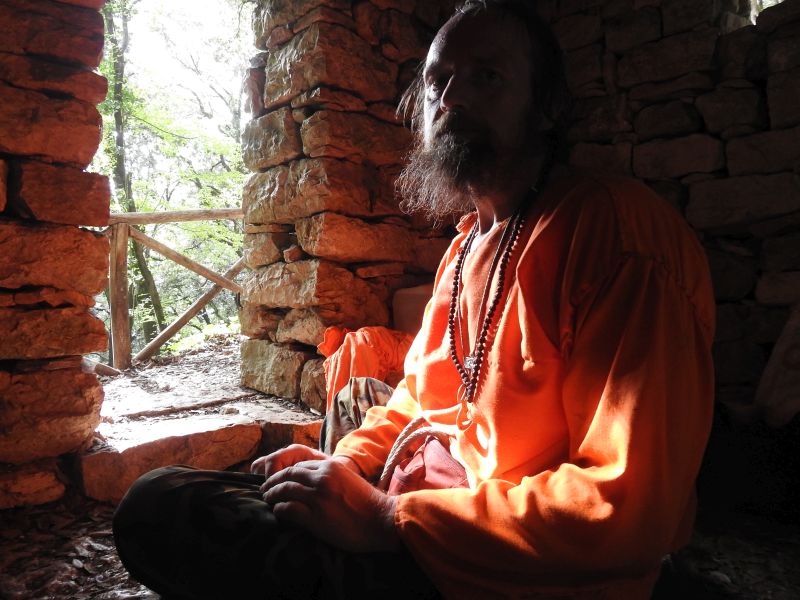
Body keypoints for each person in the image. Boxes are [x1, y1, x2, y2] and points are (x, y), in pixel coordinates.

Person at [112, 1, 716, 598]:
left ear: (548, 107)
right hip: (421, 502)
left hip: (502, 569)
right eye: (436, 82)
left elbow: (627, 507)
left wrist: (383, 520)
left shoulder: (613, 235)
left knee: (157, 503)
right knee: (351, 405)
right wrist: (344, 467)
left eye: (487, 76)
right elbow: (418, 397)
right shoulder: (468, 245)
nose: (450, 98)